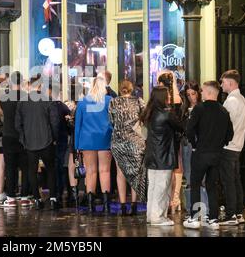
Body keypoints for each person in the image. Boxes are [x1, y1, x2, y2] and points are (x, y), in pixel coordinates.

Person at [183, 81, 234, 230]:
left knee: (195, 184)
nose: (202, 93)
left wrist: (195, 144)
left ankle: (194, 217)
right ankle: (213, 219)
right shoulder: (224, 111)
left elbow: (189, 130)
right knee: (212, 186)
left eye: (203, 91)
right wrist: (220, 143)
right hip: (217, 154)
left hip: (200, 153)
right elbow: (230, 134)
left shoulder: (199, 108)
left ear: (210, 92)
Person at [15, 76, 60, 210]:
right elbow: (55, 122)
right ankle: (52, 198)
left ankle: (37, 198)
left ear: (30, 85)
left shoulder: (22, 102)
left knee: (31, 171)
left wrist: (23, 139)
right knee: (51, 169)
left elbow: (17, 125)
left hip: (29, 143)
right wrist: (54, 137)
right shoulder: (48, 100)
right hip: (46, 141)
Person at [141, 86, 183, 226]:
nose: (169, 98)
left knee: (153, 187)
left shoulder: (149, 112)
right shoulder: (167, 113)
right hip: (163, 155)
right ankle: (158, 217)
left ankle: (151, 215)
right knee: (162, 186)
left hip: (151, 155)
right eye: (168, 96)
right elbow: (180, 127)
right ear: (163, 97)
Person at [74, 75, 113, 213]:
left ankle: (90, 206)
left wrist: (76, 145)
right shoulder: (109, 101)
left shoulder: (83, 102)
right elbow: (113, 122)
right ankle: (107, 206)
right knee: (105, 171)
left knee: (90, 172)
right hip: (105, 139)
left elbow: (77, 125)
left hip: (87, 140)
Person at [108, 80, 147, 216]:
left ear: (120, 89)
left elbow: (111, 121)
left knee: (121, 173)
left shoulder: (113, 102)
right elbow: (145, 118)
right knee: (135, 173)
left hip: (119, 140)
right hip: (136, 141)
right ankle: (134, 205)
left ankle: (123, 205)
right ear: (132, 89)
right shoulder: (139, 101)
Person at [219, 70, 245, 226]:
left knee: (228, 181)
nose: (221, 85)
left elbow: (224, 125)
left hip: (228, 146)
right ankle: (238, 213)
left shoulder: (231, 101)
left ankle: (231, 215)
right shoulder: (241, 99)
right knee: (236, 180)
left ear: (230, 83)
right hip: (237, 146)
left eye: (223, 82)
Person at [0, 71, 31, 208]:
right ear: (22, 82)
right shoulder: (27, 97)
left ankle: (11, 197)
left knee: (10, 167)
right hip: (24, 136)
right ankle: (24, 196)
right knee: (25, 167)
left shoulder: (4, 98)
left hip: (8, 135)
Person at [181, 81, 209, 218]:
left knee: (202, 178)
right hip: (187, 145)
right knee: (188, 178)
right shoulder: (184, 110)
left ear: (198, 93)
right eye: (188, 94)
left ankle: (203, 210)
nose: (191, 97)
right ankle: (190, 210)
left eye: (193, 93)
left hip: (201, 145)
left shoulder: (203, 108)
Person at [158, 71, 184, 213]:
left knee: (167, 167)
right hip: (175, 135)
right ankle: (176, 199)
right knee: (177, 165)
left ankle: (169, 200)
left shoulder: (162, 99)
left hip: (164, 136)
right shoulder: (177, 98)